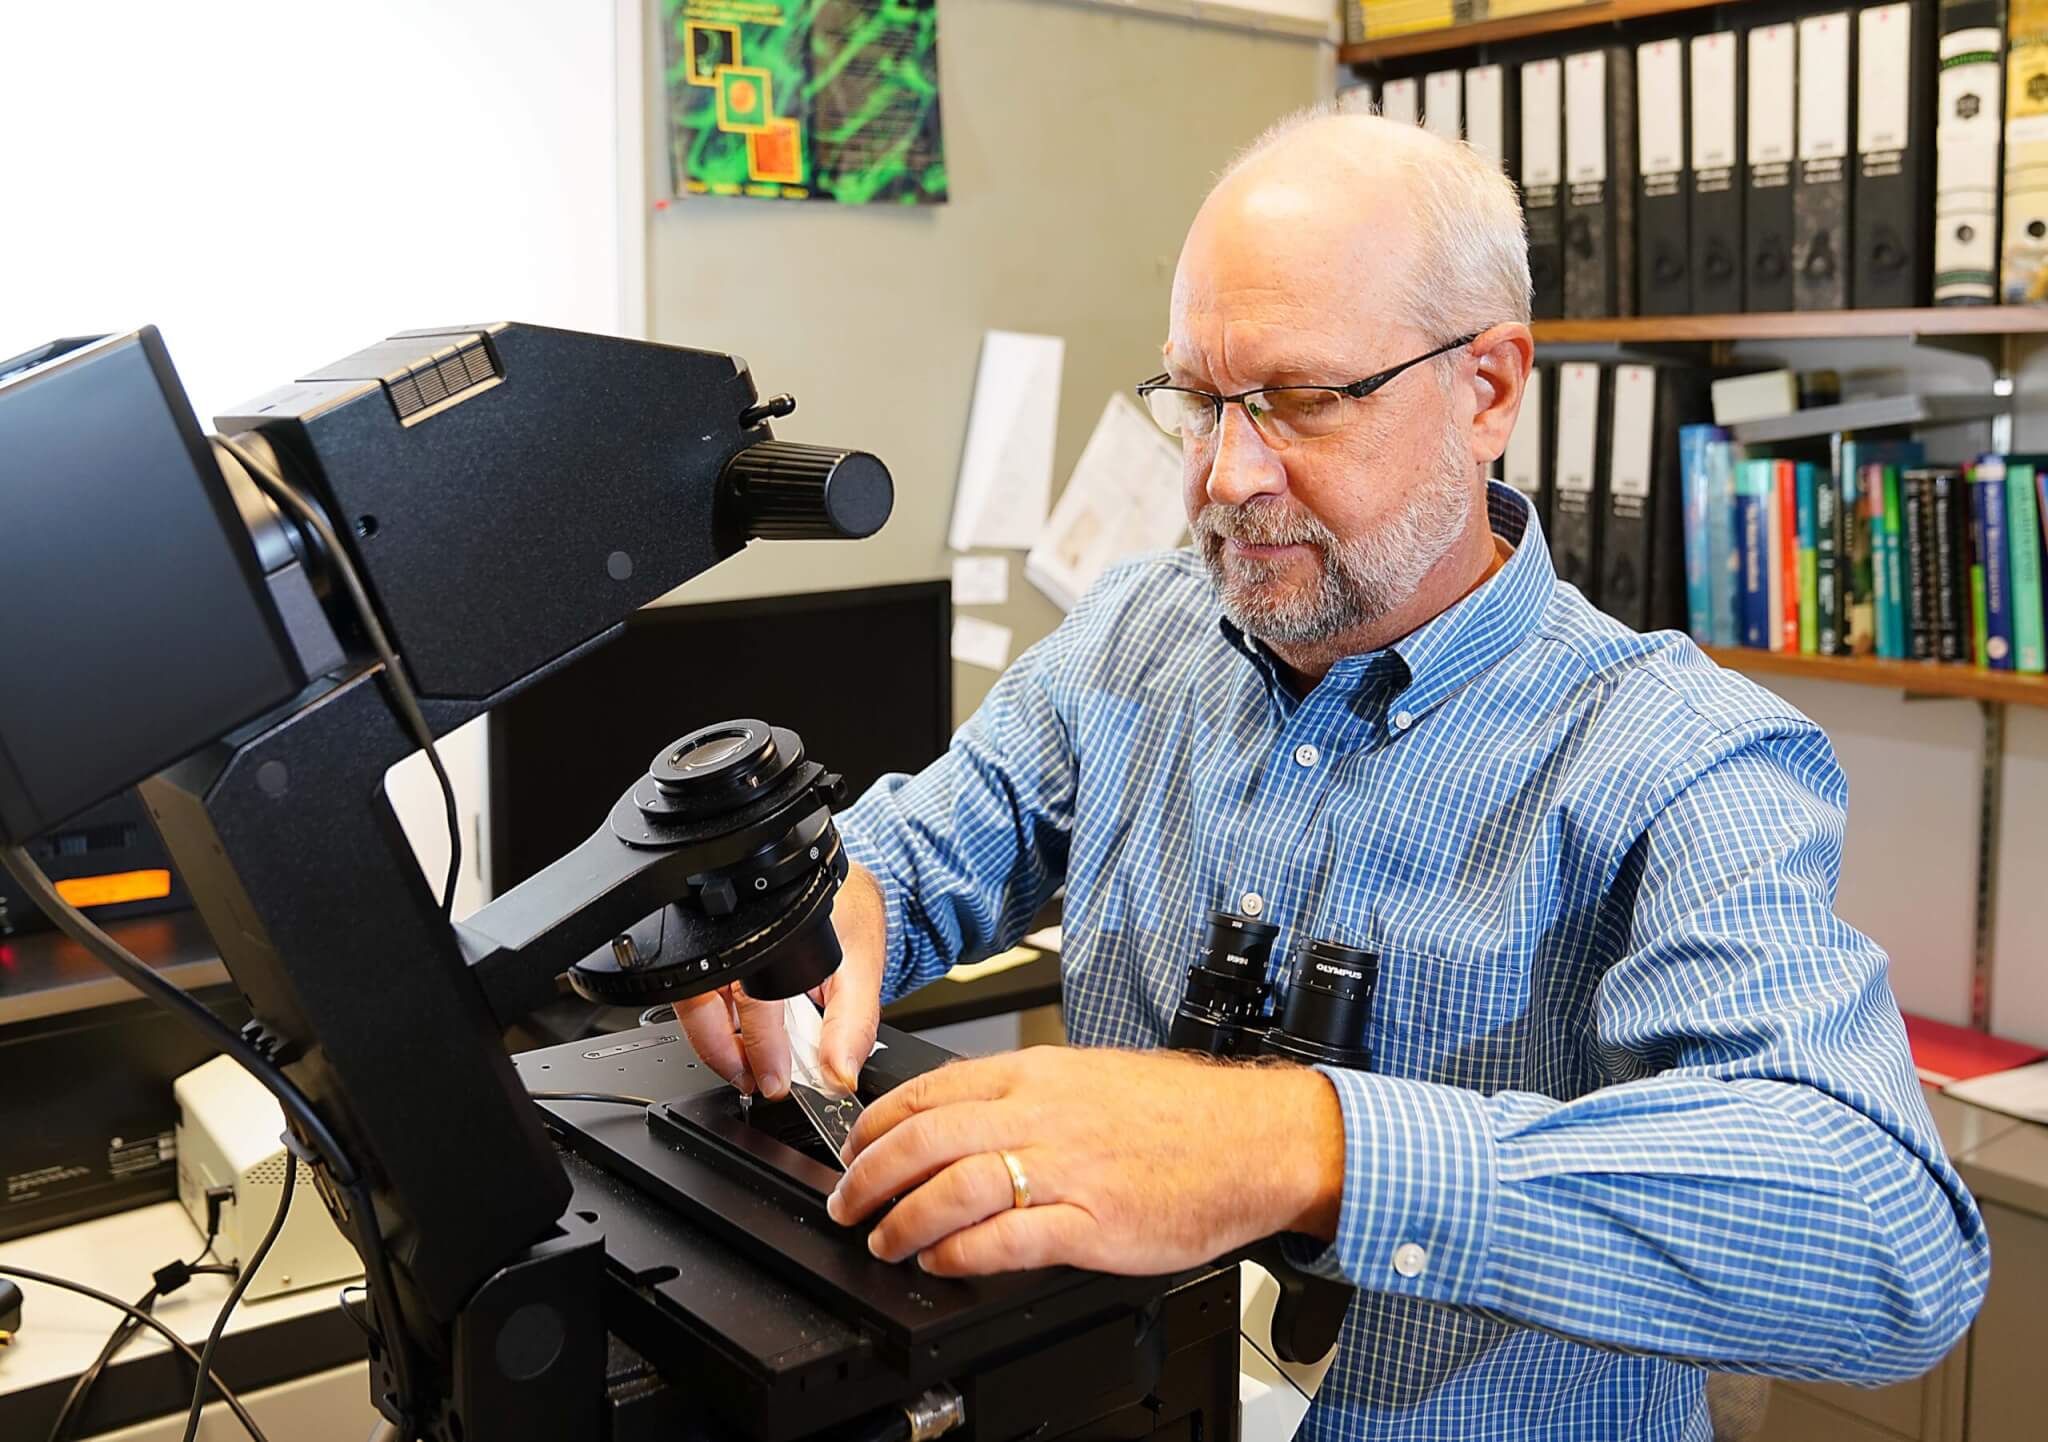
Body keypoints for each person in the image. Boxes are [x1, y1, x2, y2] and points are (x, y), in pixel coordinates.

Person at [675, 110, 1989, 1439]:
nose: (1226, 477)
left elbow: (1889, 1240)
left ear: (1487, 389)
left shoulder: (1680, 756)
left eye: (1304, 399)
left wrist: (1296, 1150)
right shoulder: (1139, 634)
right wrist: (823, 915)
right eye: (1200, 401)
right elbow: (918, 851)